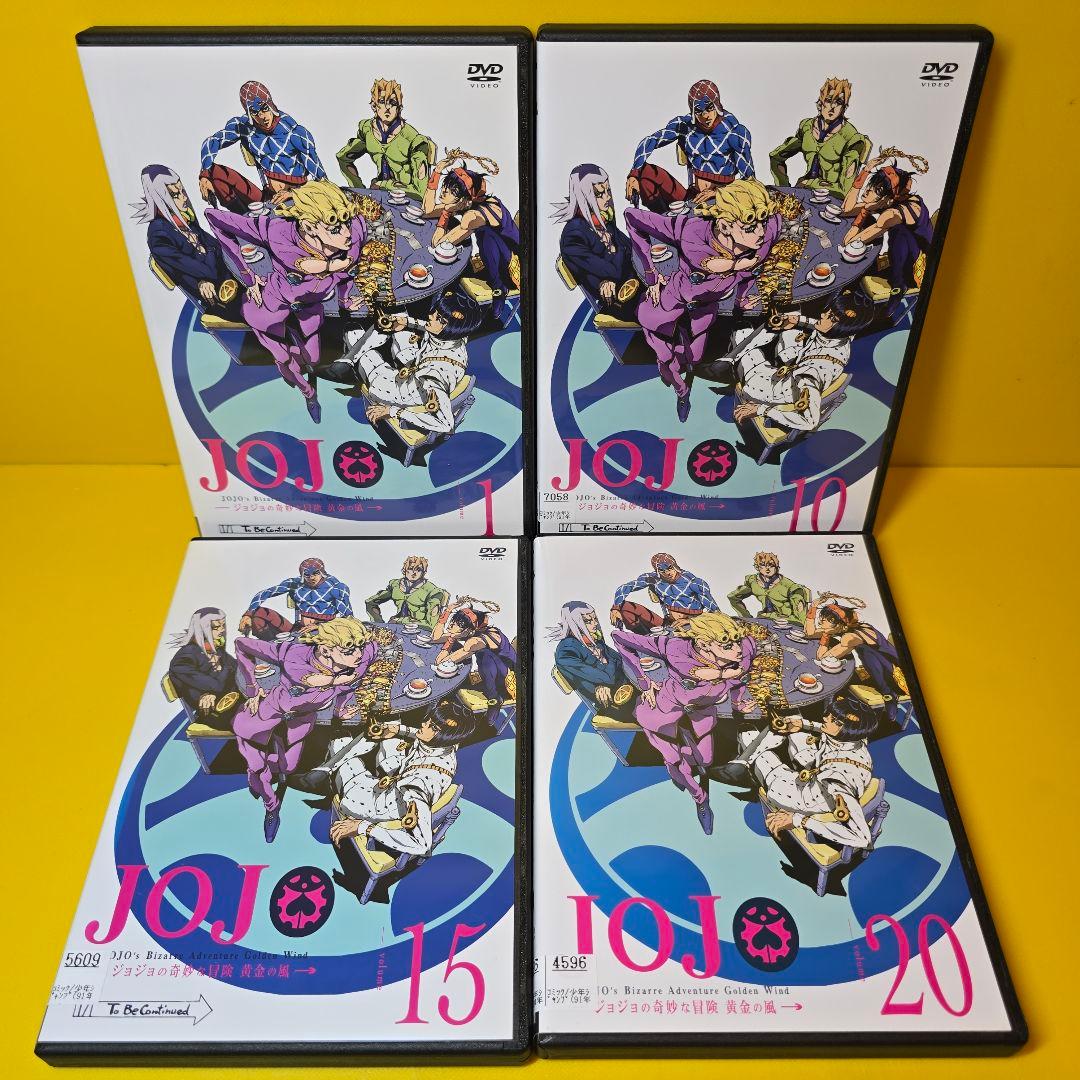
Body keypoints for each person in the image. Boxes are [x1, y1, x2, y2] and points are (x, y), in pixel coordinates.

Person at [207, 179, 370, 421]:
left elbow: (346, 273)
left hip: (310, 308)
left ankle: (296, 361)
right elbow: (214, 217)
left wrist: (344, 299)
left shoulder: (353, 233)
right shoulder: (277, 231)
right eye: (336, 229)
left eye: (346, 224)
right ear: (309, 227)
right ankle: (308, 393)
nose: (347, 234)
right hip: (272, 305)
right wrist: (248, 276)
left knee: (313, 358)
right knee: (284, 359)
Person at [625, 179, 782, 421]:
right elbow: (632, 216)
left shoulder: (764, 234)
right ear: (725, 226)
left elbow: (772, 228)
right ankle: (682, 392)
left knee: (695, 358)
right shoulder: (689, 231)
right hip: (668, 304)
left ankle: (680, 364)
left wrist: (741, 297)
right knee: (667, 361)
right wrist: (651, 274)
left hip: (704, 311)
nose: (761, 233)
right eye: (751, 228)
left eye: (762, 224)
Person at [613, 613, 758, 835]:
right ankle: (700, 798)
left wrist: (737, 703)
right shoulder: (674, 648)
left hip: (701, 713)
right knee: (675, 760)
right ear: (704, 644)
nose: (737, 649)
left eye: (737, 642)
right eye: (728, 645)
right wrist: (645, 682)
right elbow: (619, 637)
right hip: (664, 711)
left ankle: (682, 767)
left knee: (706, 760)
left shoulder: (744, 650)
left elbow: (739, 680)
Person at [235, 617, 377, 842]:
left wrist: (339, 710)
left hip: (298, 724)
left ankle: (262, 776)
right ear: (326, 650)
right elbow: (241, 644)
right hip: (263, 718)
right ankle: (271, 805)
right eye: (350, 650)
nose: (358, 655)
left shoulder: (358, 660)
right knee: (258, 769)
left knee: (288, 767)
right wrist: (253, 689)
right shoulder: (292, 654)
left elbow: (349, 682)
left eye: (359, 648)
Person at [324, 697, 478, 859]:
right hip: (401, 777)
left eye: (432, 726)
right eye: (428, 721)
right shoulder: (448, 744)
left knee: (340, 744)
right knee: (391, 724)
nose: (423, 724)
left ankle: (330, 770)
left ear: (445, 736)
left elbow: (422, 845)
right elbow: (424, 735)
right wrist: (398, 729)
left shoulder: (418, 786)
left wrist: (363, 827)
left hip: (378, 804)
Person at [344, 288, 484, 449]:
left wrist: (392, 411)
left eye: (439, 318)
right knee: (399, 314)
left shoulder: (434, 376)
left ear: (451, 328)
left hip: (403, 392)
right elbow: (434, 328)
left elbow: (446, 425)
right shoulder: (456, 337)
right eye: (435, 312)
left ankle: (348, 364)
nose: (430, 316)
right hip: (418, 366)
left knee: (353, 332)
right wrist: (407, 322)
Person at [744, 692, 880, 854]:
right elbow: (831, 730)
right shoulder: (856, 739)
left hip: (808, 797)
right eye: (829, 715)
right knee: (795, 721)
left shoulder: (838, 780)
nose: (825, 718)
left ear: (847, 729)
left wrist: (799, 820)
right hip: (820, 771)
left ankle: (745, 744)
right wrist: (803, 724)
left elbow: (863, 839)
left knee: (751, 740)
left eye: (833, 719)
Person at [729, 289, 875, 434]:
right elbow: (821, 325)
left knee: (742, 332)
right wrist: (797, 320)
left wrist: (761, 409)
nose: (823, 315)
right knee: (793, 312)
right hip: (799, 364)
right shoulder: (844, 336)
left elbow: (810, 422)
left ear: (841, 327)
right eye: (828, 311)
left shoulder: (811, 374)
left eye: (830, 316)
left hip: (772, 389)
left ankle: (733, 348)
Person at [626, 79, 754, 213]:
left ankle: (673, 221)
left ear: (717, 105)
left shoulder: (735, 132)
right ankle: (663, 220)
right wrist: (633, 174)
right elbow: (650, 141)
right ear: (693, 111)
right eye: (699, 111)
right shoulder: (685, 126)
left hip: (723, 201)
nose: (705, 115)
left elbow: (750, 183)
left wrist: (718, 193)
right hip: (693, 198)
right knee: (645, 172)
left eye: (709, 108)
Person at [131, 165, 241, 318]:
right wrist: (202, 280)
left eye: (182, 191)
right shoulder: (159, 235)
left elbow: (219, 248)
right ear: (160, 198)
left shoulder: (185, 220)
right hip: (218, 301)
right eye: (175, 194)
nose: (184, 198)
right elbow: (206, 270)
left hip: (229, 283)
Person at [199, 80, 326, 213]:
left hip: (297, 200)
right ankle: (243, 219)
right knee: (214, 172)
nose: (262, 116)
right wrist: (204, 175)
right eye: (254, 112)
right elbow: (212, 142)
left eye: (264, 108)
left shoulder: (295, 133)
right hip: (268, 199)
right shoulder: (244, 127)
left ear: (271, 105)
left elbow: (322, 182)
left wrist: (294, 194)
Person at [422, 154, 519, 323]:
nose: (443, 192)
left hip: (511, 266)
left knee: (484, 240)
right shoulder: (468, 203)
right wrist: (437, 172)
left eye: (452, 191)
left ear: (465, 199)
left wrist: (446, 213)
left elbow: (438, 244)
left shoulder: (473, 216)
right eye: (445, 186)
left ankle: (499, 290)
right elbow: (427, 210)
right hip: (490, 260)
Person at [841, 151, 933, 319]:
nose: (867, 191)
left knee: (853, 265)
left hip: (913, 270)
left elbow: (850, 243)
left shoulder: (892, 214)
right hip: (896, 258)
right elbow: (846, 209)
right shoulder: (892, 199)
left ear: (889, 198)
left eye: (876, 190)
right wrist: (866, 171)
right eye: (871, 185)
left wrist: (863, 214)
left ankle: (890, 306)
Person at [804, 594, 908, 727]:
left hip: (894, 677)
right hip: (875, 671)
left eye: (826, 620)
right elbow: (809, 633)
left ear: (841, 624)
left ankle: (889, 698)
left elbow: (823, 658)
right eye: (822, 618)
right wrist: (813, 607)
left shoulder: (850, 637)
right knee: (841, 679)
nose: (821, 621)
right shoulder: (850, 628)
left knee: (836, 681)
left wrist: (825, 635)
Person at [551, 163, 639, 320]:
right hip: (616, 302)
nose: (607, 197)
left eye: (608, 191)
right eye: (599, 194)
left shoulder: (604, 221)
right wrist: (617, 251)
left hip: (630, 284)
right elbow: (614, 270)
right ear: (583, 196)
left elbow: (632, 250)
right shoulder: (574, 234)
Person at [769, 77, 871, 199]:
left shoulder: (851, 138)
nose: (832, 106)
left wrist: (810, 183)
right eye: (828, 100)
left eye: (839, 102)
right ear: (820, 102)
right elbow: (776, 157)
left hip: (832, 199)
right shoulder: (807, 127)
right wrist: (784, 190)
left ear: (844, 107)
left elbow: (845, 189)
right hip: (804, 193)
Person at [336, 78, 435, 198]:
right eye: (382, 101)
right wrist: (359, 191)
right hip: (380, 196)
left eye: (392, 103)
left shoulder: (413, 140)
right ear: (374, 106)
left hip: (407, 200)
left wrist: (384, 185)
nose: (388, 107)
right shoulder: (367, 130)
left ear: (399, 108)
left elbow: (421, 192)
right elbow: (343, 158)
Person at [432, 597, 516, 736]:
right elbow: (435, 638)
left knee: (486, 658)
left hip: (508, 681)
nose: (451, 625)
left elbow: (441, 662)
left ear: (470, 630)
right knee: (459, 679)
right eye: (453, 621)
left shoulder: (476, 641)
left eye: (457, 624)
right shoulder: (472, 630)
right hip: (490, 675)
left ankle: (494, 700)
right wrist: (447, 611)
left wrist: (451, 639)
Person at [548, 601, 636, 719]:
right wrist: (602, 680)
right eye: (588, 621)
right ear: (574, 623)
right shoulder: (566, 651)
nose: (595, 624)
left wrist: (608, 664)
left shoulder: (594, 641)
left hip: (625, 689)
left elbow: (621, 660)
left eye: (595, 619)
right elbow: (609, 677)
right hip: (611, 703)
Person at [241, 557, 353, 640]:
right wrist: (247, 615)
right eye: (307, 574)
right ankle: (270, 647)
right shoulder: (296, 584)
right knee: (258, 613)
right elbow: (264, 594)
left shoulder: (337, 587)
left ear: (322, 572)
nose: (312, 577)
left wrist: (320, 627)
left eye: (315, 573)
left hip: (325, 633)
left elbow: (348, 620)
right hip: (299, 629)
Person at [611, 552, 719, 632]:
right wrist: (615, 607)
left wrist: (691, 621)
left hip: (694, 626)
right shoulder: (654, 579)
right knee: (624, 607)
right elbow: (625, 587)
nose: (667, 573)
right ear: (658, 571)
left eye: (669, 568)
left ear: (675, 566)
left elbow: (716, 613)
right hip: (668, 624)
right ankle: (646, 640)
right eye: (662, 570)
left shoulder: (695, 583)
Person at [166, 606, 240, 722]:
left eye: (223, 625)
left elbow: (237, 669)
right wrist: (226, 669)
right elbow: (217, 686)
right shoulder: (183, 659)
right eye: (216, 627)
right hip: (213, 712)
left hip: (229, 700)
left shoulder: (214, 648)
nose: (222, 630)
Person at [365, 555, 450, 629]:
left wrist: (400, 621)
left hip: (420, 631)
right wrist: (379, 625)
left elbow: (431, 624)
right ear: (405, 570)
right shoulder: (395, 585)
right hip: (397, 628)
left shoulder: (432, 591)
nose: (414, 573)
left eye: (418, 570)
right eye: (410, 569)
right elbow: (370, 602)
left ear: (423, 572)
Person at [727, 552, 811, 623]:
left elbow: (800, 620)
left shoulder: (790, 587)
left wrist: (771, 616)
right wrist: (747, 619)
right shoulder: (753, 581)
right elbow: (733, 597)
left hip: (787, 623)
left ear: (776, 567)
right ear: (757, 567)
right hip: (764, 621)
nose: (767, 568)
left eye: (771, 565)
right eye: (763, 565)